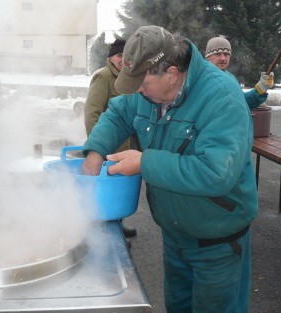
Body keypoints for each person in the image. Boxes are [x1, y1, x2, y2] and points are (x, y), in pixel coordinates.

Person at [81, 25, 258, 312]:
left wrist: (144, 162)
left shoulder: (222, 97)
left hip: (217, 242)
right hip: (174, 236)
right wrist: (95, 151)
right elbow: (117, 113)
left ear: (172, 74)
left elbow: (216, 173)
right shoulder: (149, 90)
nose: (138, 91)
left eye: (143, 84)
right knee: (177, 306)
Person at [83, 38, 137, 238]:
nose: (122, 59)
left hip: (125, 146)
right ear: (110, 58)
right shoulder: (104, 77)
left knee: (118, 191)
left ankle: (117, 226)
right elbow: (91, 112)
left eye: (126, 55)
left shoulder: (129, 77)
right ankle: (104, 234)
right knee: (104, 191)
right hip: (108, 147)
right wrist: (97, 147)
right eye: (118, 55)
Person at [205, 36, 274, 109]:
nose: (223, 58)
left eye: (226, 54)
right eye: (218, 54)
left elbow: (242, 102)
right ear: (208, 57)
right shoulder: (201, 79)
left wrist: (261, 88)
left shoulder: (230, 78)